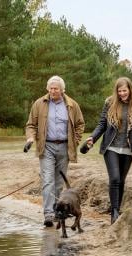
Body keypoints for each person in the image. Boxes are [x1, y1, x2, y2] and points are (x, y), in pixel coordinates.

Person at [84, 77, 132, 224]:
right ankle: (113, 212)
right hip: (111, 146)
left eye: (124, 90)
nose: (122, 94)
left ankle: (117, 208)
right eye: (119, 91)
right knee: (114, 179)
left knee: (121, 181)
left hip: (128, 148)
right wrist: (92, 138)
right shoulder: (110, 103)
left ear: (130, 90)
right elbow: (102, 124)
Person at [25, 75, 85, 227]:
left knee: (59, 183)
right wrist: (30, 139)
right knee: (48, 180)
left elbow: (80, 124)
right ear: (47, 89)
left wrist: (75, 141)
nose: (53, 91)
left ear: (62, 90)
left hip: (65, 147)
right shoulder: (39, 104)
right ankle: (49, 214)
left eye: (56, 88)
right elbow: (31, 124)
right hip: (47, 147)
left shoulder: (72, 105)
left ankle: (59, 212)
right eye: (50, 88)